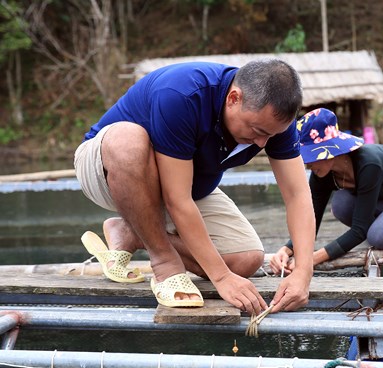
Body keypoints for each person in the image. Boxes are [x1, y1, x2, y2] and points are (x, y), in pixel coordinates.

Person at [74, 59, 315, 314]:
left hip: (183, 187)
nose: (263, 143)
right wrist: (221, 278)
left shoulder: (273, 124)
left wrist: (303, 273)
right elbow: (177, 200)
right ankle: (163, 260)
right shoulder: (182, 94)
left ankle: (133, 232)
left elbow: (297, 195)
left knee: (246, 259)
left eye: (271, 135)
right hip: (107, 169)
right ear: (234, 98)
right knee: (127, 140)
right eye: (257, 131)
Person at [270, 108, 383, 274]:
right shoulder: (322, 174)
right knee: (341, 205)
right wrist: (287, 250)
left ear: (330, 151)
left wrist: (312, 259)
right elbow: (310, 217)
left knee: (378, 234)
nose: (307, 164)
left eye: (310, 157)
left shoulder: (368, 164)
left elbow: (360, 231)